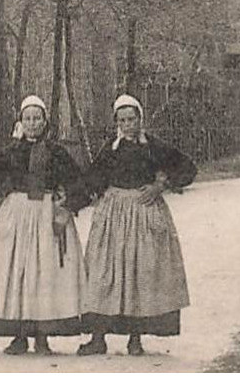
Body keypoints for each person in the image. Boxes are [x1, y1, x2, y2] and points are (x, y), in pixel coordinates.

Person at [79, 94, 197, 357]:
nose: (127, 125)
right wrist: (79, 198)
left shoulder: (154, 146)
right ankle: (98, 338)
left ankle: (135, 339)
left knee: (139, 275)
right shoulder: (110, 148)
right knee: (103, 275)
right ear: (116, 122)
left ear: (140, 119)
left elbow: (188, 167)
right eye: (122, 120)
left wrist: (160, 185)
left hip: (144, 215)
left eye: (131, 119)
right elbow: (93, 177)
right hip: (113, 215)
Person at [0, 95, 90, 356]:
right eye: (28, 118)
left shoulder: (56, 152)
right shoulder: (12, 151)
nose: (33, 123)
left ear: (45, 121)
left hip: (47, 216)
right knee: (18, 274)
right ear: (21, 121)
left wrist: (66, 204)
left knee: (45, 275)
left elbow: (79, 183)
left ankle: (43, 336)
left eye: (37, 118)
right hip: (17, 218)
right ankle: (18, 336)